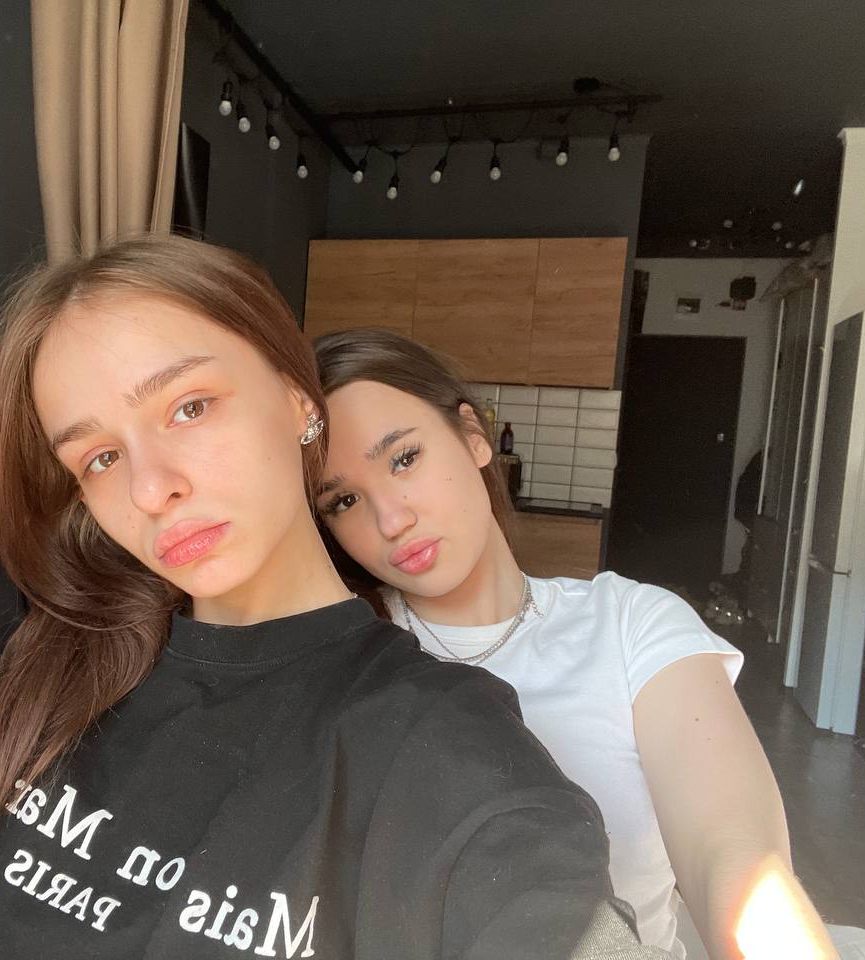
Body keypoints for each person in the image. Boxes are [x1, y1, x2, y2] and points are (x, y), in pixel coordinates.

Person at [0, 236, 669, 959]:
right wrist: (11, 450)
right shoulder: (32, 616)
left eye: (188, 406)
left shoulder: (429, 747)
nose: (149, 487)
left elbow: (531, 892)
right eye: (98, 455)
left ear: (297, 400)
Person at [311, 328, 836, 960]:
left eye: (403, 459)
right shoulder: (341, 657)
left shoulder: (632, 626)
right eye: (344, 499)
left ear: (473, 436)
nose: (391, 520)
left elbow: (735, 857)